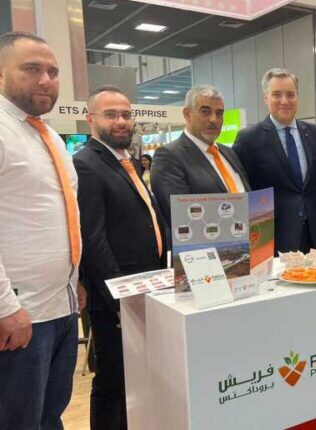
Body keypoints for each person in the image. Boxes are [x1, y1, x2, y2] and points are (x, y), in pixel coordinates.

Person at [0, 31, 83, 429]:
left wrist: (74, 282)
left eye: (53, 71)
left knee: (49, 417)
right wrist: (5, 307)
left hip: (61, 308)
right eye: (32, 69)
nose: (46, 80)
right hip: (19, 315)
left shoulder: (49, 136)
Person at [74, 86, 168, 430]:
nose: (121, 122)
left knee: (137, 379)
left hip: (147, 285)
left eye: (126, 115)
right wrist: (119, 298)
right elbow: (93, 240)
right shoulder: (86, 165)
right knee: (113, 381)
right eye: (111, 115)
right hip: (117, 296)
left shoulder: (126, 162)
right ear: (91, 120)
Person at [233, 68, 316, 254]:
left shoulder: (315, 134)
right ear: (266, 98)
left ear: (297, 96)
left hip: (314, 237)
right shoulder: (249, 139)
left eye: (290, 94)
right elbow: (242, 192)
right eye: (277, 95)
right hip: (273, 240)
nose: (284, 101)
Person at [151, 85, 250, 224]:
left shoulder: (228, 152)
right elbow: (181, 217)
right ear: (187, 114)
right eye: (205, 112)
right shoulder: (169, 157)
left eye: (219, 113)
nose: (214, 119)